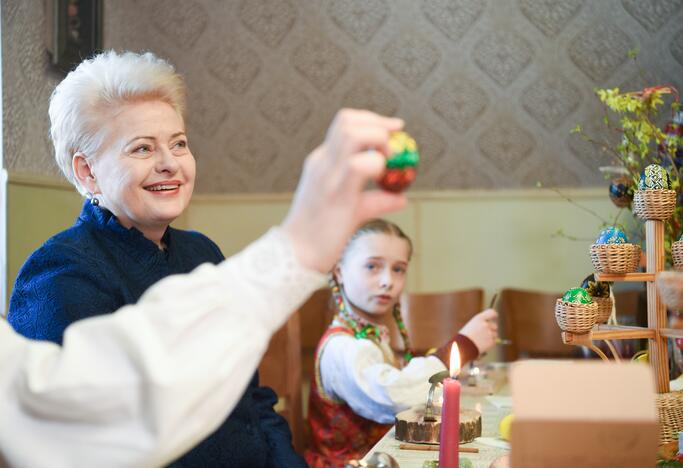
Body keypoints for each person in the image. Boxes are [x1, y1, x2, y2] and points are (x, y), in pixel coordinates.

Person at [5, 50, 405, 466]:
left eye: (178, 144)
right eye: (142, 149)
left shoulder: (200, 251)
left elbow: (251, 401)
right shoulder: (60, 272)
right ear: (87, 172)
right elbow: (75, 441)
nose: (169, 164)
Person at [305, 219, 499, 467]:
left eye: (398, 269)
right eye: (372, 266)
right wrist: (463, 345)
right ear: (339, 272)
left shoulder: (371, 337)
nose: (388, 280)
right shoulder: (341, 347)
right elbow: (393, 395)